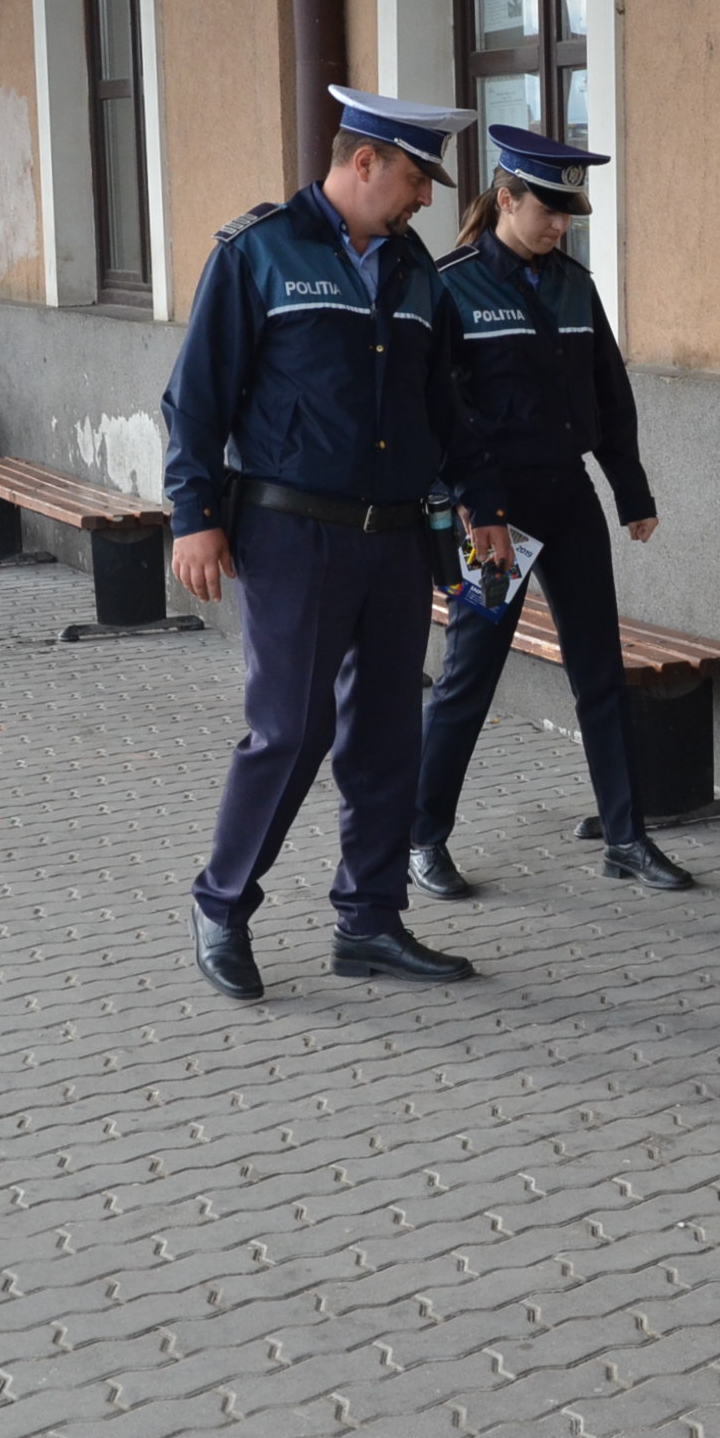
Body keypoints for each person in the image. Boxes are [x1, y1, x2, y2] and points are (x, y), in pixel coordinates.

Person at [162, 85, 512, 1002]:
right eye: (416, 179)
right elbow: (196, 397)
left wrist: (482, 503)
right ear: (364, 162)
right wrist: (192, 514)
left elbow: (445, 406)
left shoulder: (416, 270)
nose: (426, 198)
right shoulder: (259, 252)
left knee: (388, 735)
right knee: (293, 730)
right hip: (292, 533)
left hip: (395, 539)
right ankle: (221, 904)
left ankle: (370, 920)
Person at [409, 123, 694, 899]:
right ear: (507, 199)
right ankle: (423, 836)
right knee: (471, 674)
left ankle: (626, 837)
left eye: (569, 213)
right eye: (549, 210)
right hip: (493, 516)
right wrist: (470, 506)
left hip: (567, 501)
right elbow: (436, 415)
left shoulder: (572, 285)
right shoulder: (452, 284)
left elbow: (608, 391)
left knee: (601, 672)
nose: (561, 225)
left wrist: (630, 492)